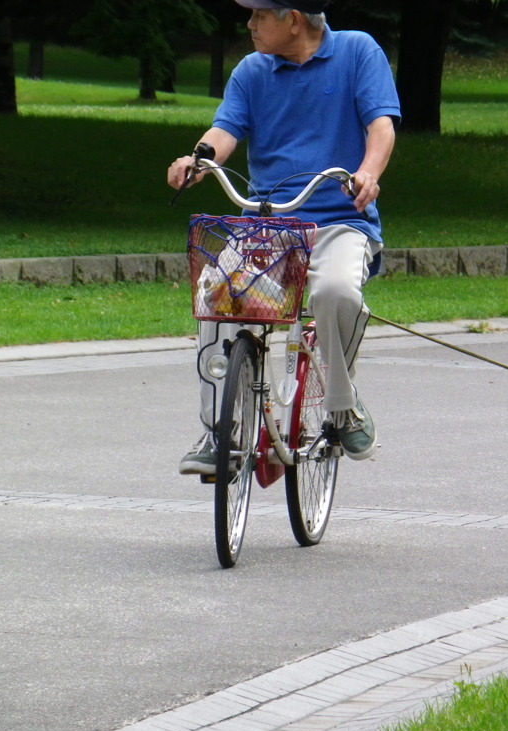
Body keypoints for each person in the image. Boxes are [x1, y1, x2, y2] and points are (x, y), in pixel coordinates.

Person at [166, 0, 401, 475]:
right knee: (216, 292)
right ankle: (220, 433)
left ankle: (342, 405)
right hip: (267, 227)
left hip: (340, 220)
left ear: (292, 19)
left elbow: (381, 125)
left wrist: (367, 174)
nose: (249, 24)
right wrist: (200, 159)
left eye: (258, 15)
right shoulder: (252, 71)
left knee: (335, 292)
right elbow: (225, 130)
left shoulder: (358, 52)